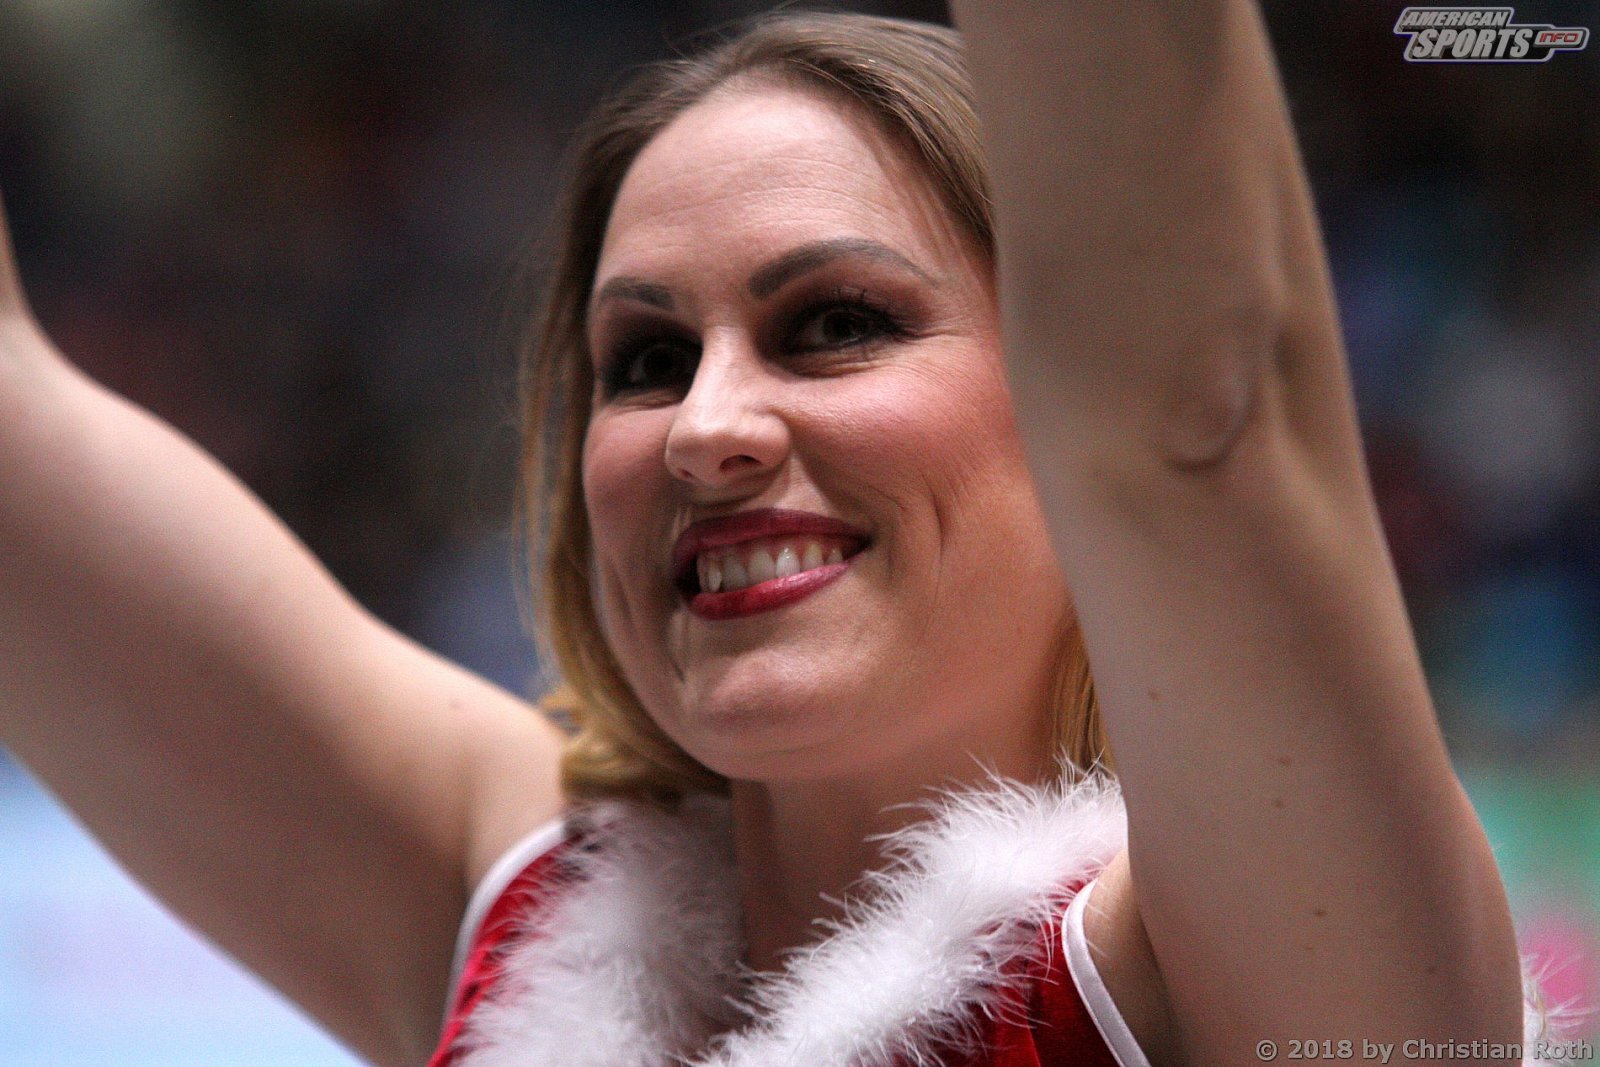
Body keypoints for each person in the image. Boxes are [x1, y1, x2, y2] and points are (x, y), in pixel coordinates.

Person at [0, 3, 1553, 1065]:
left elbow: (1198, 419)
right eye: (644, 360)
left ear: (1070, 405)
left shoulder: (1294, 976)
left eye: (835, 324)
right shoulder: (510, 909)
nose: (704, 427)